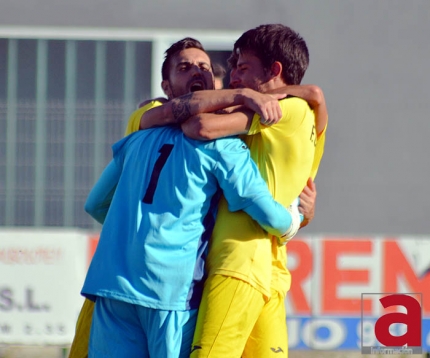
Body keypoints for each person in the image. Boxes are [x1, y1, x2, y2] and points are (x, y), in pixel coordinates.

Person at [69, 37, 305, 358]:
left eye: (204, 66)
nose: (197, 70)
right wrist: (294, 219)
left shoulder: (137, 137)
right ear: (166, 86)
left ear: (213, 81)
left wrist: (134, 230)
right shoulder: (221, 145)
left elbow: (94, 204)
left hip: (113, 285)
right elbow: (261, 208)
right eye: (185, 67)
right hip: (169, 288)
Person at [137, 25, 327, 357]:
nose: (235, 76)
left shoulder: (275, 111)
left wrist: (177, 108)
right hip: (272, 269)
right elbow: (303, 186)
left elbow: (202, 127)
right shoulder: (309, 114)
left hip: (235, 261)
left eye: (243, 67)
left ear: (275, 72)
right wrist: (315, 93)